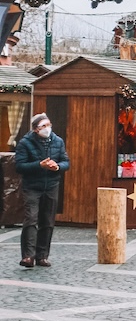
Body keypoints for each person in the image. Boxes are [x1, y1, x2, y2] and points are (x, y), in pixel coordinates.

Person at [14, 111, 70, 269]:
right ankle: (27, 256)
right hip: (32, 186)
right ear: (35, 129)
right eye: (43, 126)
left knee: (47, 221)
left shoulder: (58, 141)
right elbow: (19, 166)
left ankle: (42, 256)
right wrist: (39, 165)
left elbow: (66, 161)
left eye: (49, 125)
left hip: (51, 185)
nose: (47, 128)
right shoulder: (25, 143)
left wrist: (57, 167)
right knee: (31, 219)